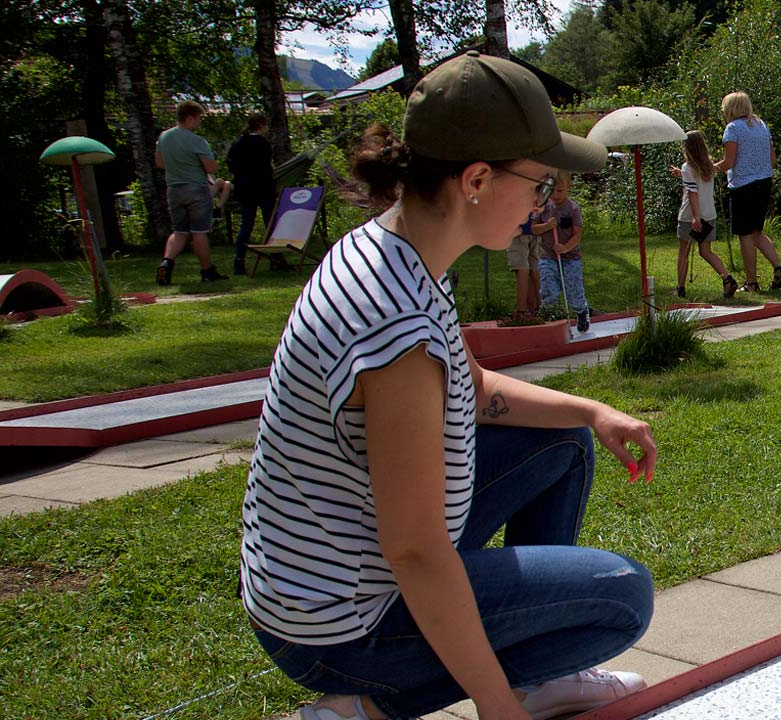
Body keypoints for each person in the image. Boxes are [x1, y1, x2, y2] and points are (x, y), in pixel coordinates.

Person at [239, 52, 657, 720]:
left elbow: (475, 385)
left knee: (564, 441)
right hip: (340, 624)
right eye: (540, 185)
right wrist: (497, 711)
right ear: (477, 180)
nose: (541, 205)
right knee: (620, 596)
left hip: (336, 576)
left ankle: (537, 675)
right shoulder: (395, 329)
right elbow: (415, 549)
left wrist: (592, 409)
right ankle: (366, 709)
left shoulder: (403, 251)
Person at [713, 92, 781, 293]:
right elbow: (772, 159)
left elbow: (729, 161)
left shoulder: (733, 129)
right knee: (757, 231)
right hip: (764, 183)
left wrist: (711, 168)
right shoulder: (761, 125)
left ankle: (752, 282)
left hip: (743, 186)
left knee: (745, 235)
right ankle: (778, 268)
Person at [155, 100, 228, 285]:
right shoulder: (196, 140)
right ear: (189, 118)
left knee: (179, 231)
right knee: (199, 232)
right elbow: (211, 167)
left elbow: (160, 163)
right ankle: (207, 270)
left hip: (173, 189)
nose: (199, 122)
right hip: (196, 188)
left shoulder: (163, 137)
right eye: (199, 118)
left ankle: (167, 262)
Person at [671, 130, 735, 299]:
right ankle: (727, 278)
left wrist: (695, 217)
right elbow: (697, 181)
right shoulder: (708, 165)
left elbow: (692, 193)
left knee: (683, 252)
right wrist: (681, 174)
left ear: (687, 147)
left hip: (690, 216)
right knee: (706, 251)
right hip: (709, 214)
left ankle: (680, 287)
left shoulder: (688, 167)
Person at [533, 171, 591, 329]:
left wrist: (565, 247)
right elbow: (534, 229)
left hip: (570, 258)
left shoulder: (573, 209)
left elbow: (577, 235)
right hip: (547, 256)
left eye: (560, 191)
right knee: (548, 287)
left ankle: (581, 311)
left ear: (569, 187)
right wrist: (546, 226)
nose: (555, 195)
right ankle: (551, 318)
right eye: (551, 191)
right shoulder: (544, 207)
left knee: (573, 290)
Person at [227, 114, 278, 276]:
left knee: (246, 224)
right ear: (261, 125)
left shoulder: (238, 143)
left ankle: (239, 260)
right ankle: (275, 258)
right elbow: (266, 164)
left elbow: (231, 164)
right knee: (270, 223)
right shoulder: (263, 143)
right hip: (263, 187)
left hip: (245, 188)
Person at [507, 204, 542, 318]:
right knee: (534, 268)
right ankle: (538, 308)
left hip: (518, 229)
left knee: (521, 268)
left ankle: (520, 311)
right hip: (534, 228)